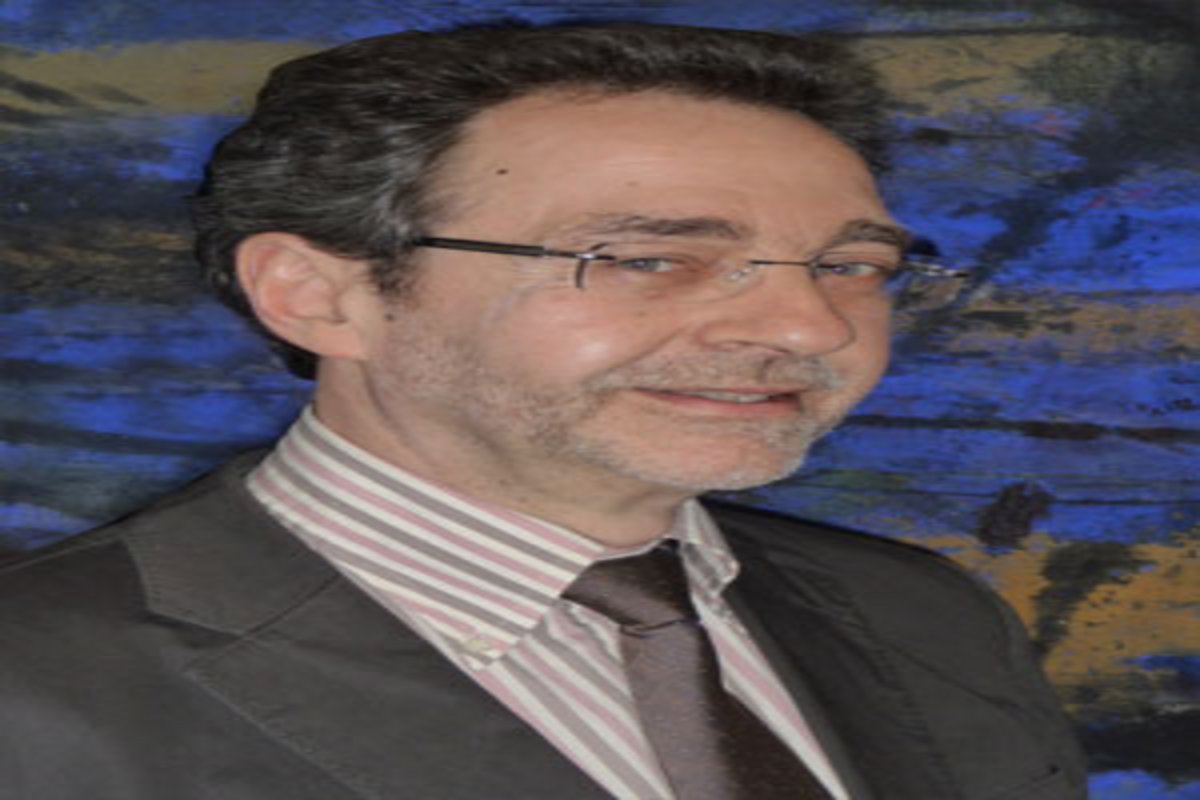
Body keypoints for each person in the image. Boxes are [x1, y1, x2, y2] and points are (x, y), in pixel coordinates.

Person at [0, 22, 1086, 800]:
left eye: (851, 266)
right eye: (651, 257)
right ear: (319, 294)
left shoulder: (924, 616)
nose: (809, 326)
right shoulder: (36, 691)